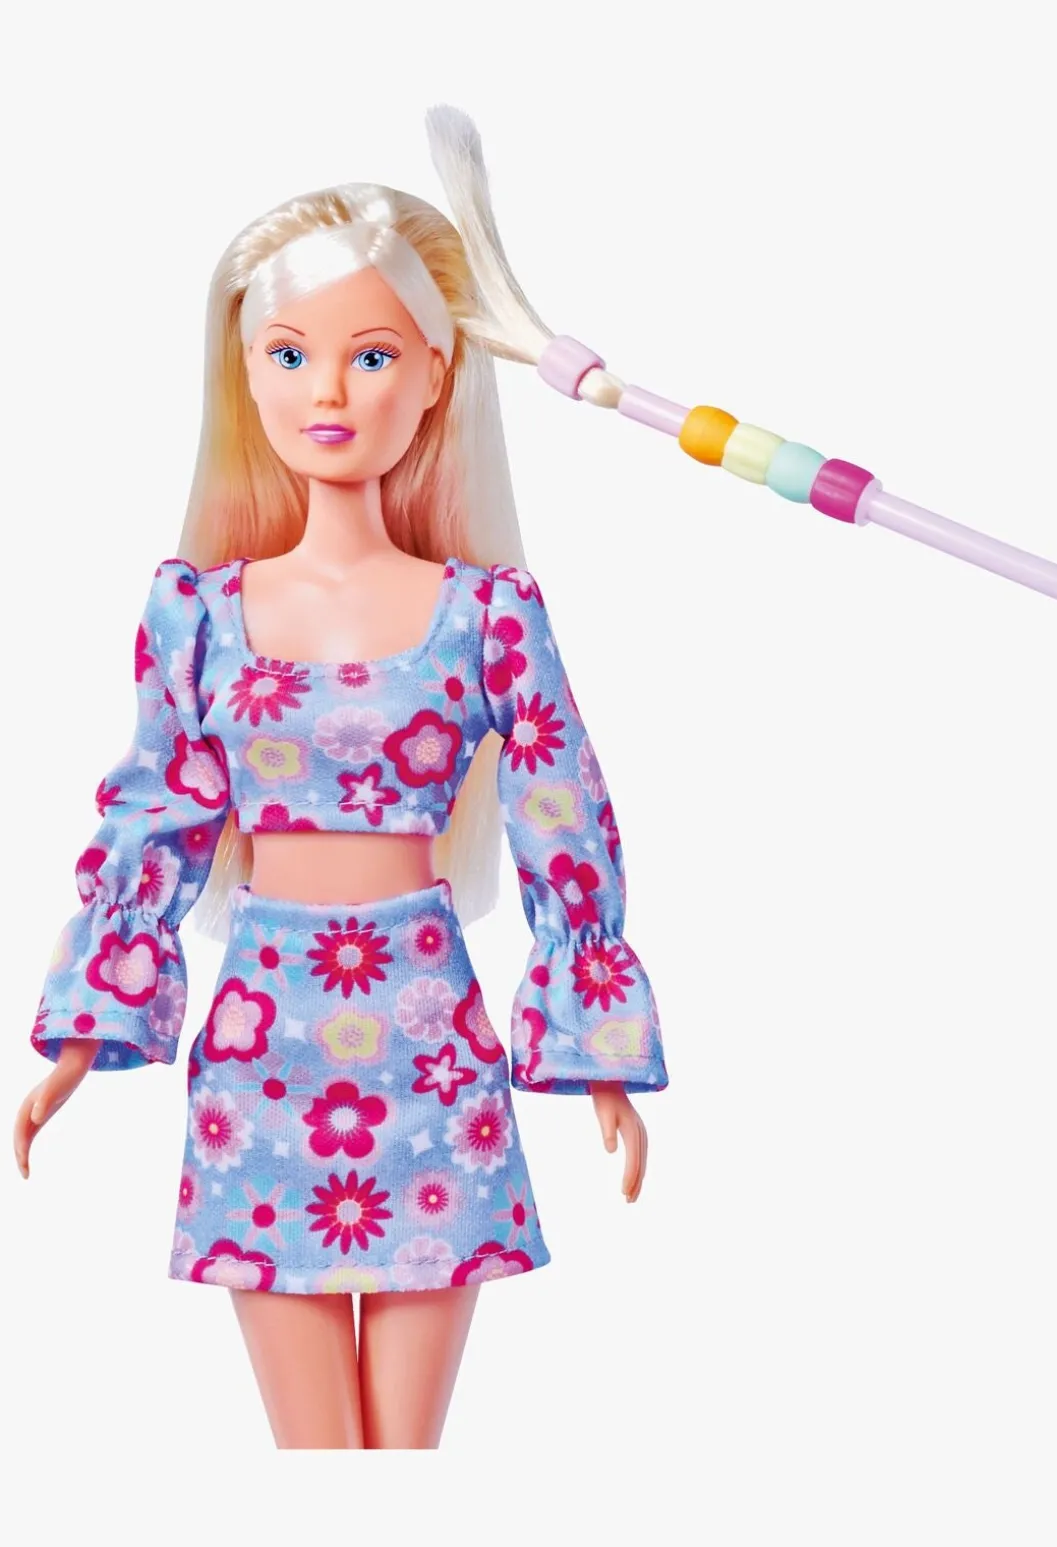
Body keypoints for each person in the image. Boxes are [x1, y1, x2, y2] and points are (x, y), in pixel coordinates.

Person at [12, 104, 666, 1450]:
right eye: (290, 354)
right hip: (263, 1036)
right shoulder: (200, 611)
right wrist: (84, 1029)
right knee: (315, 1459)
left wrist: (595, 1047)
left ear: (434, 373)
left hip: (427, 1027)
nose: (329, 393)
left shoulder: (487, 614)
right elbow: (156, 815)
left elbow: (562, 814)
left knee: (399, 1462)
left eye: (371, 357)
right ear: (244, 376)